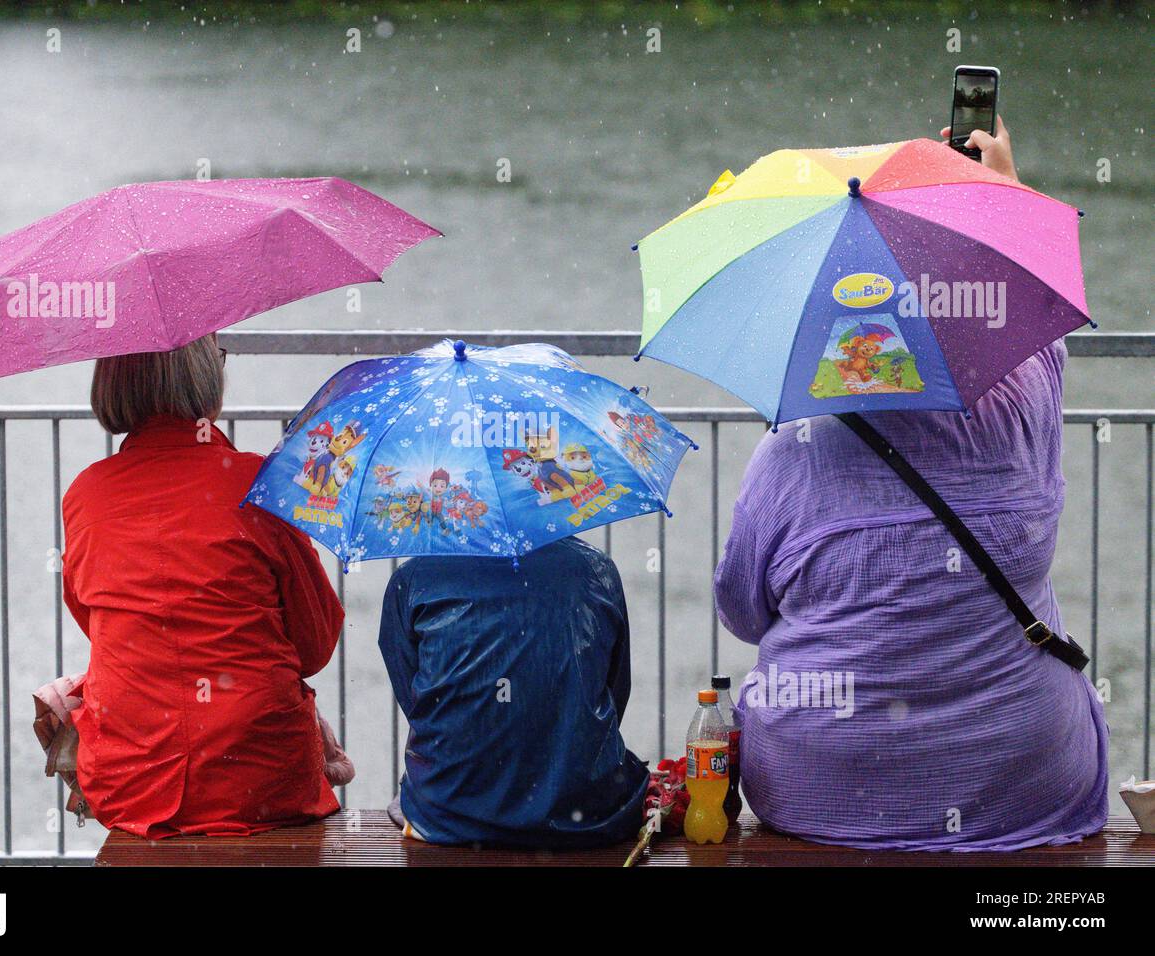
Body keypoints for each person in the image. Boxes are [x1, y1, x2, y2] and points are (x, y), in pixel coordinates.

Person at [713, 119, 1109, 850]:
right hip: (1019, 779)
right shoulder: (1022, 405)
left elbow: (742, 613)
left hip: (820, 789)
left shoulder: (791, 453)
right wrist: (1003, 193)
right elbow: (1042, 319)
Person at [35, 335, 352, 839]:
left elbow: (101, 626)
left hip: (131, 782)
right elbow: (314, 646)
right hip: (263, 782)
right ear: (205, 378)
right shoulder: (260, 486)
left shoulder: (85, 495)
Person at [379, 536, 648, 847]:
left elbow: (414, 696)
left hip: (447, 811)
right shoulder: (596, 569)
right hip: (586, 813)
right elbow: (615, 689)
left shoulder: (412, 578)